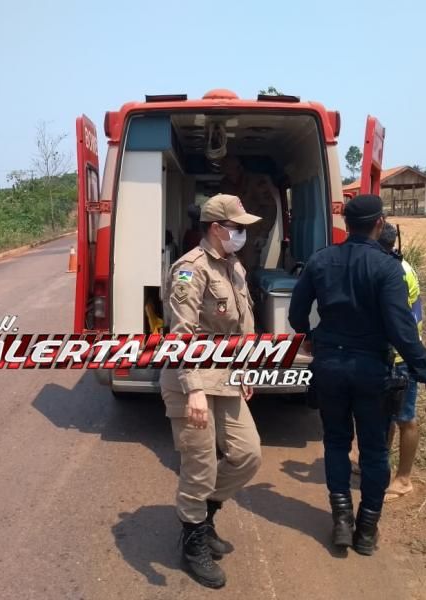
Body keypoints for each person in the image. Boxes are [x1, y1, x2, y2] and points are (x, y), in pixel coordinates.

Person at [288, 194, 426, 556]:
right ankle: (366, 529)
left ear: (346, 224)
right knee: (374, 452)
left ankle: (341, 521)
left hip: (328, 367)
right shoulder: (388, 268)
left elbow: (298, 310)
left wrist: (309, 337)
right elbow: (402, 329)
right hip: (371, 370)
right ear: (379, 223)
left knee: (336, 443)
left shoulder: (321, 260)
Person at [160, 193, 263, 588]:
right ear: (217, 228)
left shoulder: (233, 265)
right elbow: (180, 335)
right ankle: (193, 542)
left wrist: (246, 367)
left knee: (247, 454)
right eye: (237, 228)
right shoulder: (191, 269)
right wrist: (194, 390)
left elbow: (242, 326)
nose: (243, 234)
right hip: (193, 381)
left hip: (226, 376)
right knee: (199, 468)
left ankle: (204, 515)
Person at [377, 223, 423, 502]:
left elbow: (396, 319)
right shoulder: (396, 265)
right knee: (386, 415)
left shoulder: (399, 273)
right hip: (391, 354)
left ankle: (404, 479)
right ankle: (380, 465)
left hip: (402, 356)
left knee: (405, 418)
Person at [219, 156, 278, 274]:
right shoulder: (225, 183)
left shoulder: (256, 181)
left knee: (250, 266)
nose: (230, 174)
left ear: (239, 168)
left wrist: (263, 234)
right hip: (231, 230)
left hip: (252, 231)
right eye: (226, 171)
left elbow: (270, 207)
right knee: (229, 266)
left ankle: (249, 291)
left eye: (231, 170)